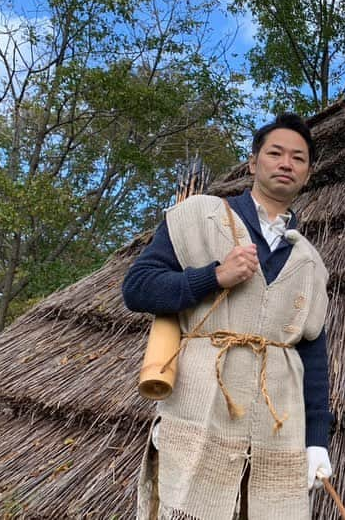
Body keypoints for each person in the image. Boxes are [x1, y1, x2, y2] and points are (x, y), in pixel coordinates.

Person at [123, 113, 332, 520]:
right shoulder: (197, 216)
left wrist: (317, 441)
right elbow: (138, 289)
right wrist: (214, 276)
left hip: (278, 421)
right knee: (186, 507)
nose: (286, 163)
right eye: (275, 153)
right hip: (201, 404)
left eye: (298, 158)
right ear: (253, 163)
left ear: (307, 174)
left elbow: (313, 353)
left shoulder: (310, 260)